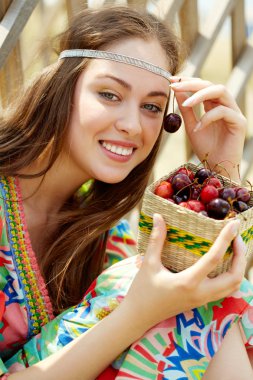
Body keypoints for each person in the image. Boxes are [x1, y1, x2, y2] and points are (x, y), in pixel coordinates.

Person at [0, 5, 252, 379]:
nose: (133, 125)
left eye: (151, 106)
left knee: (195, 295)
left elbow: (204, 285)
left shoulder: (107, 228)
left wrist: (221, 171)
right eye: (110, 95)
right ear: (62, 88)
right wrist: (139, 311)